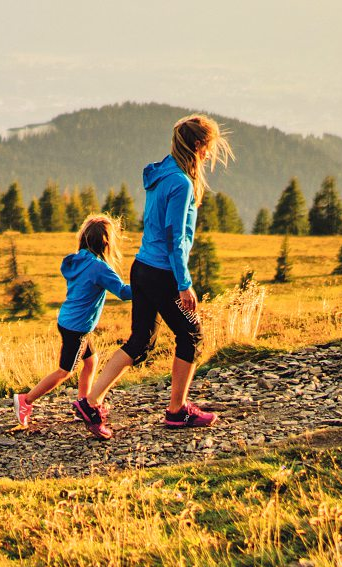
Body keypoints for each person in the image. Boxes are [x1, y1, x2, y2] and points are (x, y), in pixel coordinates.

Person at [76, 114, 232, 435]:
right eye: (208, 147)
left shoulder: (161, 173)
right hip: (163, 274)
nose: (209, 154)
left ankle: (91, 401)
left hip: (143, 268)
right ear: (199, 145)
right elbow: (176, 237)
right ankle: (176, 411)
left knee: (141, 341)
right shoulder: (180, 183)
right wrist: (184, 285)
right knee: (191, 336)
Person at [11, 214, 132, 435]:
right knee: (65, 371)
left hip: (68, 320)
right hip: (77, 328)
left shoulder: (77, 259)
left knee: (91, 362)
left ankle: (83, 405)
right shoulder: (99, 268)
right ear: (106, 243)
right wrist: (147, 286)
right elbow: (123, 292)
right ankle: (25, 399)